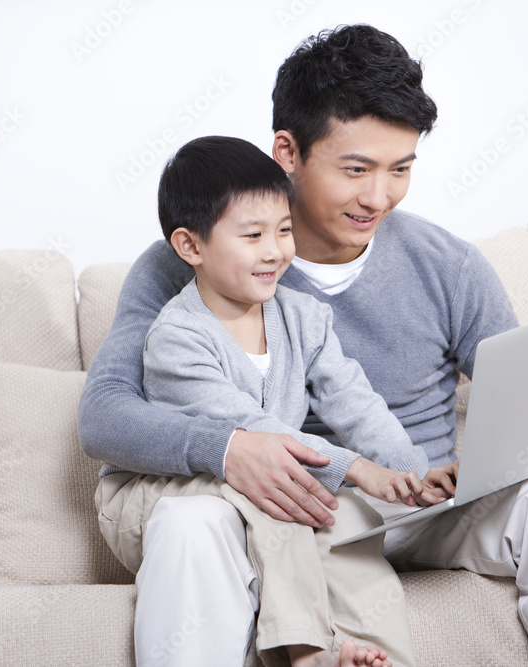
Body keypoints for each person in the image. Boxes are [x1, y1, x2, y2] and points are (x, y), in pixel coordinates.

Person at [80, 23, 528, 667]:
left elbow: (520, 401)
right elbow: (104, 416)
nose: (379, 197)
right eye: (356, 169)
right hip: (288, 510)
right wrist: (230, 448)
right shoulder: (193, 262)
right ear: (288, 152)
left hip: (423, 499)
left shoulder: (447, 265)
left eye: (400, 169)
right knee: (188, 522)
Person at [98, 135, 454, 667]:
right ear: (190, 247)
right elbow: (253, 433)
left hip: (263, 477)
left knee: (348, 519)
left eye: (284, 230)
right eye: (252, 235)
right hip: (160, 494)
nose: (276, 250)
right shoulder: (177, 337)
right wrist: (358, 468)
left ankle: (382, 658)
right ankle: (306, 650)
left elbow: (354, 400)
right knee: (277, 492)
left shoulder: (302, 317)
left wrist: (407, 473)